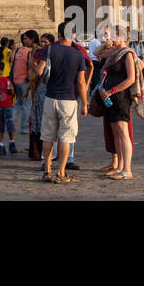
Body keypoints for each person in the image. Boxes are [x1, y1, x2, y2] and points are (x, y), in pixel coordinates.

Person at [39, 22, 87, 183]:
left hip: (50, 97)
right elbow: (80, 82)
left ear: (59, 34)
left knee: (48, 136)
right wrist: (85, 103)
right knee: (66, 137)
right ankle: (61, 173)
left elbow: (40, 72)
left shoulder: (48, 49)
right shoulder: (78, 54)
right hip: (69, 100)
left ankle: (47, 171)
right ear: (73, 35)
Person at [97, 29, 137, 179]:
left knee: (123, 133)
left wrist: (112, 90)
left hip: (120, 98)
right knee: (116, 134)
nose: (109, 38)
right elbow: (96, 53)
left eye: (112, 36)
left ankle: (127, 170)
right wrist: (106, 44)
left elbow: (131, 79)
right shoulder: (114, 53)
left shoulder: (127, 54)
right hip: (110, 99)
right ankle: (120, 166)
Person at [26, 33, 53, 161]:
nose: (43, 44)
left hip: (50, 89)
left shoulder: (53, 53)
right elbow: (32, 64)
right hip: (40, 88)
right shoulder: (40, 53)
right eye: (42, 42)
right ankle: (39, 151)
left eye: (45, 42)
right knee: (39, 120)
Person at [0, 67, 15, 156]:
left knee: (10, 125)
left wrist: (12, 90)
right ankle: (1, 144)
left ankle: (12, 142)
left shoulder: (6, 80)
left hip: (8, 106)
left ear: (1, 71)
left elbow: (12, 92)